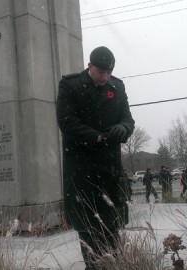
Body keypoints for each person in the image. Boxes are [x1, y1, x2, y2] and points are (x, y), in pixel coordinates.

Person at [56, 46, 135, 269]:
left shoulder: (117, 86)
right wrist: (98, 137)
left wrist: (123, 128)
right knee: (88, 226)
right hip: (82, 167)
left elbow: (129, 119)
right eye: (101, 72)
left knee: (112, 225)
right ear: (89, 66)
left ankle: (113, 265)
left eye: (109, 72)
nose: (105, 77)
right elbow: (66, 122)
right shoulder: (70, 85)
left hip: (110, 168)